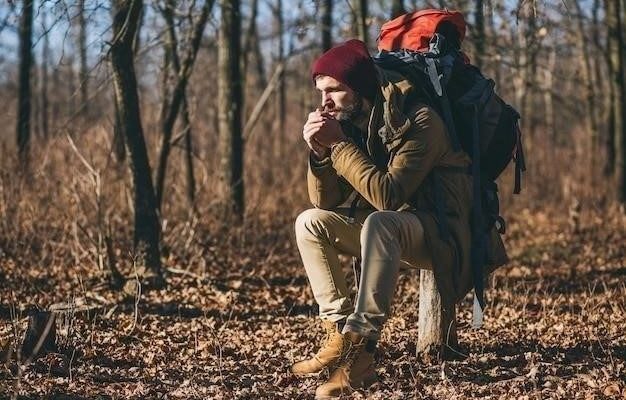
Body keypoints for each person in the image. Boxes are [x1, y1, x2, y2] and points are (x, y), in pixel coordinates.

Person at [292, 39, 507, 399]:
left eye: (335, 90)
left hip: (445, 234)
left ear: (360, 88)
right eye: (320, 91)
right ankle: (339, 333)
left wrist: (340, 146)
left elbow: (388, 196)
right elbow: (325, 201)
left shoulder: (420, 120)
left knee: (381, 222)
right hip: (394, 232)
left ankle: (361, 354)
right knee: (310, 221)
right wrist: (319, 154)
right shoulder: (354, 119)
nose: (325, 101)